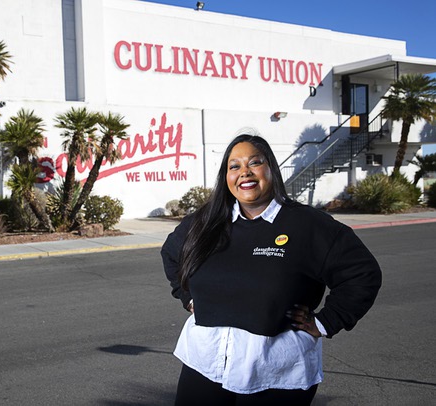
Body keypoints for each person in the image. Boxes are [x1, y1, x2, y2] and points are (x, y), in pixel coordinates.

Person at [161, 133, 382, 405]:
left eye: (254, 163)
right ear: (226, 176)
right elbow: (171, 254)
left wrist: (326, 321)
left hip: (276, 374)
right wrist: (188, 298)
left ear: (270, 169)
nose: (244, 172)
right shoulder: (205, 222)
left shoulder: (307, 225)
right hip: (204, 366)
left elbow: (362, 273)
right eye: (234, 166)